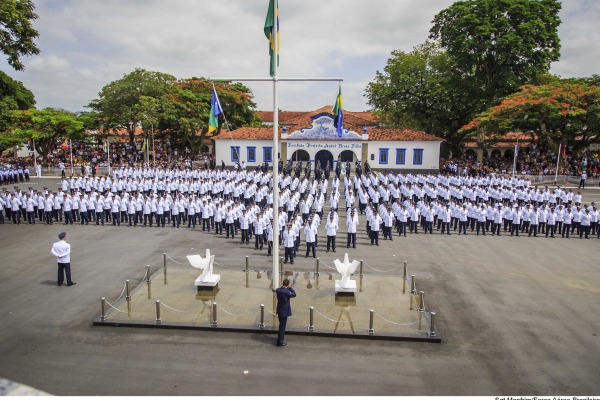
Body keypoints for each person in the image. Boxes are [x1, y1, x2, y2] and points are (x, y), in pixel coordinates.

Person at [275, 278, 296, 347]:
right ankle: (280, 341)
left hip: (279, 310)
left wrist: (286, 287)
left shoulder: (278, 290)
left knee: (281, 325)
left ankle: (280, 339)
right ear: (288, 284)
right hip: (284, 311)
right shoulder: (286, 292)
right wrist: (290, 288)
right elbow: (294, 294)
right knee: (282, 327)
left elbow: (279, 289)